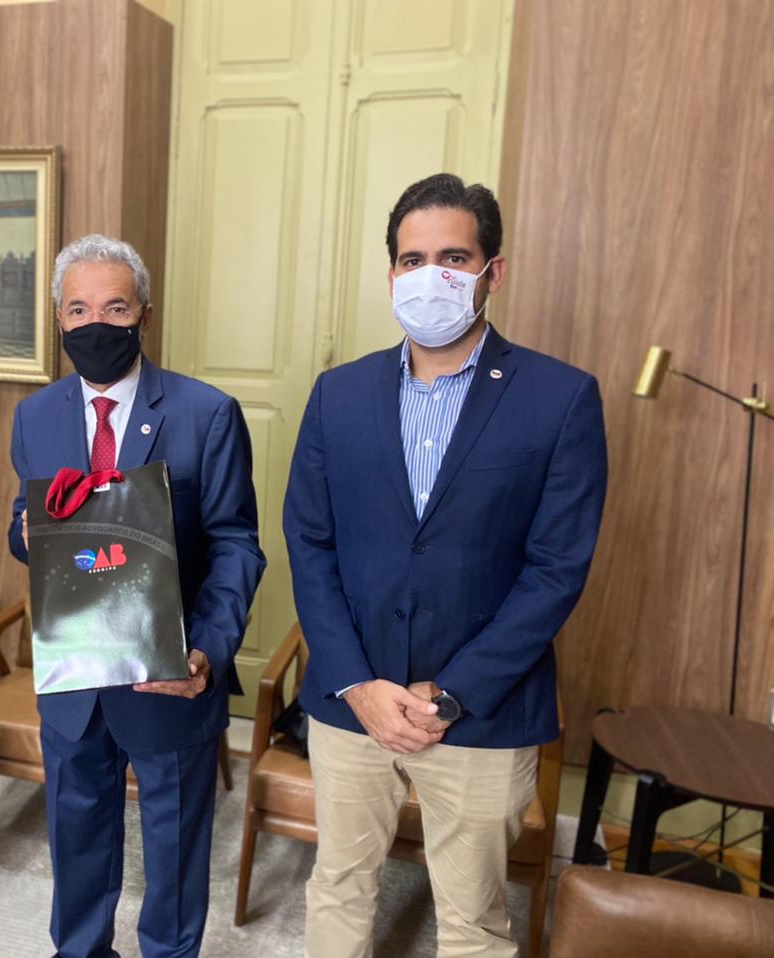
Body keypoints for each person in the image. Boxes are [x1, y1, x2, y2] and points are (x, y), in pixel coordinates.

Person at [284, 173, 607, 957]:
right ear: (391, 273)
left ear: (494, 271)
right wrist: (355, 681)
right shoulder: (337, 394)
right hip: (354, 700)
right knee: (339, 885)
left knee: (474, 922)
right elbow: (310, 544)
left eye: (453, 258)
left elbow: (556, 568)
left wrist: (452, 693)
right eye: (412, 259)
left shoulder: (561, 398)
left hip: (483, 709)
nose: (431, 276)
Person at [8, 234, 264, 958]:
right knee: (77, 840)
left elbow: (237, 544)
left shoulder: (206, 412)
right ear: (59, 318)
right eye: (78, 309)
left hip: (169, 676)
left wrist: (207, 650)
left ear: (144, 314)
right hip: (74, 678)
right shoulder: (36, 415)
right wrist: (28, 535)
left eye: (114, 308)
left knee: (173, 853)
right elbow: (22, 527)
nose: (96, 323)